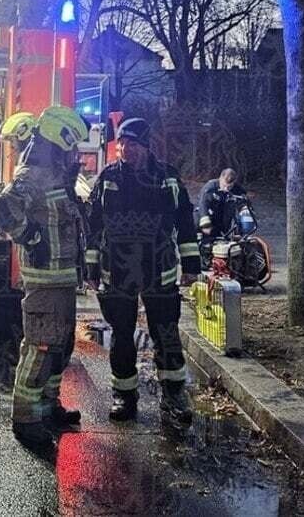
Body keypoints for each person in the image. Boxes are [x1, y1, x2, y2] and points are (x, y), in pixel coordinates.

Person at [85, 117, 200, 424]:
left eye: (132, 144)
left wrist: (191, 264)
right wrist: (91, 263)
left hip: (158, 269)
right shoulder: (108, 178)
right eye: (121, 143)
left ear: (147, 146)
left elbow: (184, 221)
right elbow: (94, 223)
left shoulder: (167, 178)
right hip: (118, 270)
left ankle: (174, 394)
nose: (125, 149)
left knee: (166, 332)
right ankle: (124, 395)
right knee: (121, 334)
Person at [0, 106, 88, 451]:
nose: (73, 151)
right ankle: (26, 419)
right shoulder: (32, 175)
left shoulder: (54, 173)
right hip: (44, 281)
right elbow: (3, 211)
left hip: (62, 280)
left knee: (60, 347)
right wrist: (31, 237)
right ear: (58, 139)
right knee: (41, 347)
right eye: (71, 145)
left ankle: (48, 407)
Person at [197, 168, 248, 239]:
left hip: (224, 220)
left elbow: (244, 199)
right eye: (224, 186)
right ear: (220, 178)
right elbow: (203, 204)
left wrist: (244, 208)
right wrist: (205, 224)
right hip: (209, 218)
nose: (226, 189)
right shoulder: (210, 187)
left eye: (229, 187)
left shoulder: (237, 189)